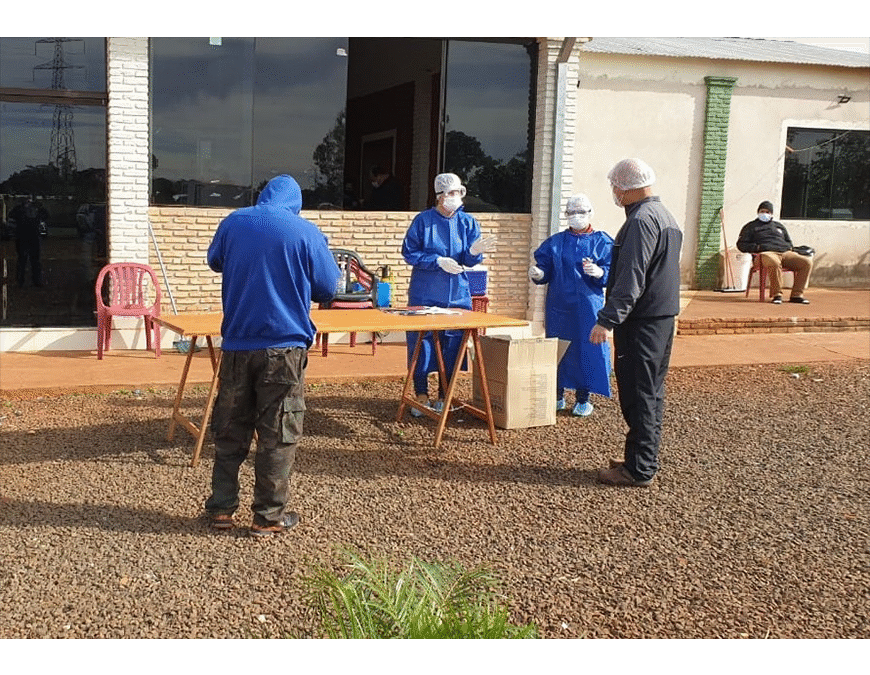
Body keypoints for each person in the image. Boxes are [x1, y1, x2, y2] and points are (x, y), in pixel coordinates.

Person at [204, 174, 341, 536]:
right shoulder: (306, 232)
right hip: (285, 349)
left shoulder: (233, 222)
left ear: (263, 195)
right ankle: (267, 516)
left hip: (238, 346)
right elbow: (328, 288)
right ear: (296, 203)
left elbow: (215, 261)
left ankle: (221, 510)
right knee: (278, 433)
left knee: (230, 429)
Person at [589, 159, 682, 487]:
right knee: (651, 391)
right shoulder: (665, 216)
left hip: (641, 322)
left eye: (615, 186)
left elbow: (632, 276)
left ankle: (639, 469)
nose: (614, 192)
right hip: (660, 318)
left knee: (639, 394)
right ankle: (640, 458)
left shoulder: (641, 221)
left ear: (626, 186)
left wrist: (607, 320)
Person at [401, 173, 496, 414]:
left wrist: (473, 252)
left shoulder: (468, 223)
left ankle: (445, 394)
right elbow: (409, 252)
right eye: (452, 193)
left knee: (453, 343)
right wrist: (437, 261)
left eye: (459, 192)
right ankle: (421, 394)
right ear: (440, 195)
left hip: (457, 295)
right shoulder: (423, 221)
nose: (457, 197)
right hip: (425, 292)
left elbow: (470, 261)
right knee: (422, 343)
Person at [529, 193, 613, 416]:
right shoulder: (556, 242)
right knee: (558, 349)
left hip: (588, 307)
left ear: (590, 213)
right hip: (559, 306)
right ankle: (556, 396)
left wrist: (601, 272)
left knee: (587, 348)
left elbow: (613, 271)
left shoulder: (602, 242)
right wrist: (539, 274)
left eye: (581, 212)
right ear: (566, 214)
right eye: (572, 212)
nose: (577, 216)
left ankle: (583, 399)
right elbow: (544, 268)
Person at [736, 201, 812, 304]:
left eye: (767, 212)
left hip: (785, 253)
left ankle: (796, 295)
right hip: (765, 253)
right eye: (762, 211)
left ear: (771, 214)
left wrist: (788, 248)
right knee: (774, 262)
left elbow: (789, 242)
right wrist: (757, 247)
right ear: (758, 212)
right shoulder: (750, 227)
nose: (765, 214)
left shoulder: (779, 226)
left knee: (806, 262)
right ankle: (777, 295)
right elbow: (741, 244)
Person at [9, 197, 48, 287]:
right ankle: (30, 281)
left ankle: (25, 281)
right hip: (28, 236)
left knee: (27, 260)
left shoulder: (22, 208)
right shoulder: (27, 208)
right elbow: (45, 216)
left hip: (26, 236)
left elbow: (45, 216)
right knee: (29, 260)